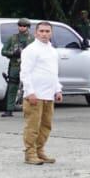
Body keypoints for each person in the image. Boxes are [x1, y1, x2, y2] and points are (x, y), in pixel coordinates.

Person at [20, 21, 62, 165]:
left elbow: (53, 73)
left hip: (48, 95)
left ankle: (40, 150)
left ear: (51, 33)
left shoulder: (52, 50)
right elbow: (25, 73)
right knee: (33, 126)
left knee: (46, 125)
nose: (44, 34)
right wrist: (30, 92)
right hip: (35, 96)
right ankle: (30, 153)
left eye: (47, 31)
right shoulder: (31, 50)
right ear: (36, 33)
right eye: (42, 31)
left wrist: (58, 89)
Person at [0, 18, 32, 117]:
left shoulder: (32, 39)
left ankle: (29, 110)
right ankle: (9, 109)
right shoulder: (12, 38)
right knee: (12, 87)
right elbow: (3, 51)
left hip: (28, 67)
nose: (22, 27)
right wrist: (13, 53)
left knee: (29, 88)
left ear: (28, 27)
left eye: (24, 26)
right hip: (15, 66)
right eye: (20, 25)